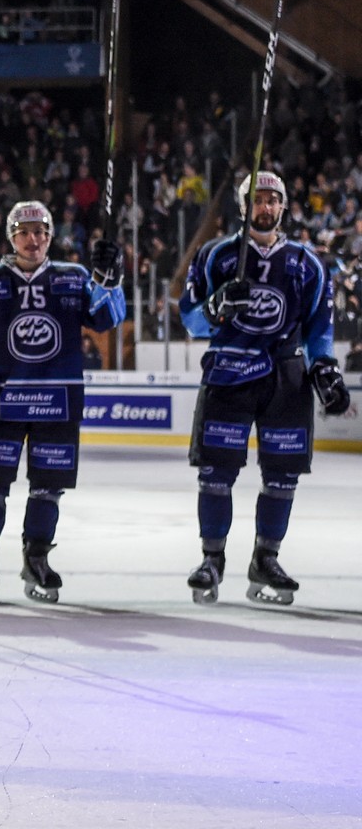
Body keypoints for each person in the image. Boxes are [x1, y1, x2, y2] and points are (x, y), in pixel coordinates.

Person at [177, 170, 348, 605]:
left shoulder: (308, 263)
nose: (265, 207)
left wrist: (324, 366)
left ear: (283, 206)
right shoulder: (215, 256)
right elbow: (190, 319)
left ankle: (265, 558)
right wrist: (215, 307)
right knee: (216, 473)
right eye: (257, 200)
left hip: (284, 377)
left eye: (273, 200)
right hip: (228, 373)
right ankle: (212, 560)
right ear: (243, 206)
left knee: (283, 476)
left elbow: (319, 328)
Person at [0, 200, 125, 603]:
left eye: (42, 232)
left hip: (57, 400)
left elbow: (106, 318)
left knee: (48, 487)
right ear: (11, 236)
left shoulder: (73, 276)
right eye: (26, 232)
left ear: (50, 237)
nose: (34, 239)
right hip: (2, 399)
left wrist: (109, 277)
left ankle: (37, 558)